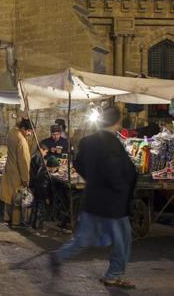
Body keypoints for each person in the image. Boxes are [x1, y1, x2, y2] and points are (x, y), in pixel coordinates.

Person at [51, 106, 137, 289]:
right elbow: (116, 170)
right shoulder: (112, 143)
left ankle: (59, 256)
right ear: (117, 122)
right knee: (123, 239)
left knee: (83, 239)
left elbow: (78, 163)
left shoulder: (87, 141)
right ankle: (113, 274)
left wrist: (93, 179)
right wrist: (122, 187)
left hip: (92, 199)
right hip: (113, 203)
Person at [0, 118, 33, 228]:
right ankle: (15, 222)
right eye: (28, 131)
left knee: (9, 196)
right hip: (17, 173)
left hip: (9, 169)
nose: (29, 133)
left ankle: (7, 218)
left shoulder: (11, 134)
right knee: (17, 198)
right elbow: (24, 161)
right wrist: (25, 178)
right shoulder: (22, 140)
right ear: (23, 128)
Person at [30, 154, 58, 229]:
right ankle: (37, 225)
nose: (56, 170)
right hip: (42, 194)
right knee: (41, 210)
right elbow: (44, 187)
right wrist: (47, 198)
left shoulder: (42, 169)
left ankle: (34, 224)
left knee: (36, 208)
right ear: (52, 167)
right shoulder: (46, 174)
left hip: (37, 192)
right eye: (56, 168)